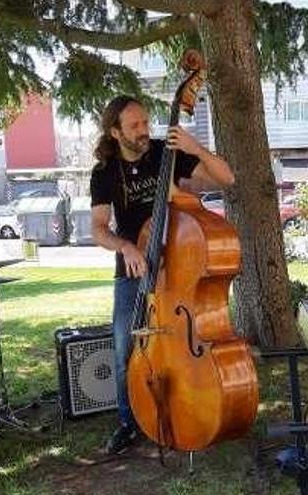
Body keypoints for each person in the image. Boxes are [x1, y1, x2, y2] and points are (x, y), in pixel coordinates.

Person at [90, 95, 235, 455]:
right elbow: (98, 228)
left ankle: (192, 405)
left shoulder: (165, 153)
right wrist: (126, 247)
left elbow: (226, 178)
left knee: (184, 345)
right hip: (134, 269)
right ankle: (129, 421)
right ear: (115, 131)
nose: (144, 131)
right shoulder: (105, 172)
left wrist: (196, 147)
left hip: (181, 264)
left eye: (145, 123)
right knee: (126, 348)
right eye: (135, 126)